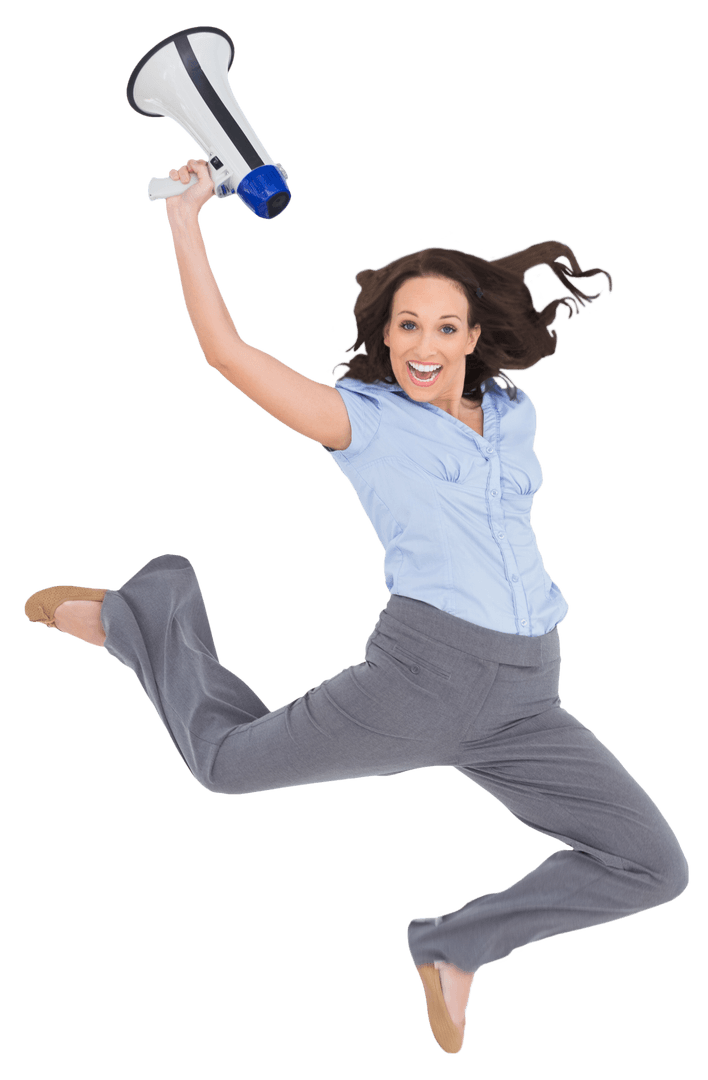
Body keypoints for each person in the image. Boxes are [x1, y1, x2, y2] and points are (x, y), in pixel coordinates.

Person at [24, 159, 689, 1056]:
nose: (423, 342)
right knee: (223, 765)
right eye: (405, 323)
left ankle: (456, 946)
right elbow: (229, 355)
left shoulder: (513, 410)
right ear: (384, 332)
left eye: (444, 326)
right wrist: (186, 219)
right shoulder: (364, 421)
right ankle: (142, 611)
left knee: (654, 866)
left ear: (471, 334)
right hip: (424, 676)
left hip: (531, 696)